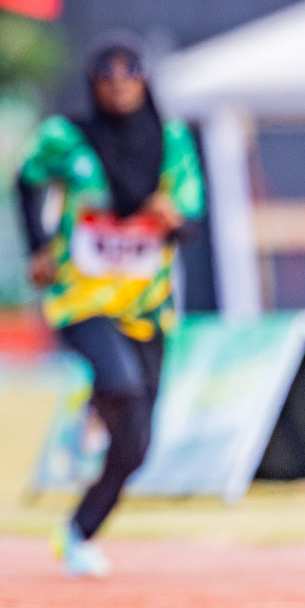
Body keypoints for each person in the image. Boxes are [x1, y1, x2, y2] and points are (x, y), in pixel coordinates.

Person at [15, 35, 204, 578]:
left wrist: (175, 219)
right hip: (82, 298)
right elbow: (24, 181)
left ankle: (77, 533)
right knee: (118, 384)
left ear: (144, 83)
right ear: (93, 84)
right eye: (108, 77)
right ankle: (94, 406)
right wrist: (37, 245)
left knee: (136, 449)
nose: (119, 87)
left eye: (130, 76)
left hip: (147, 307)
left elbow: (193, 220)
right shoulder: (65, 138)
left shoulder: (171, 143)